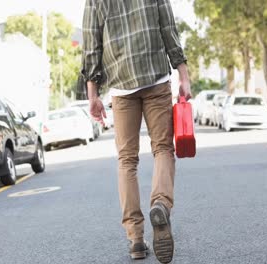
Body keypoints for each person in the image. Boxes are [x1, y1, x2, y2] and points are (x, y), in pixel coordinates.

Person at [81, 0, 191, 263]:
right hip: (155, 79)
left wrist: (93, 95)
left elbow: (91, 45)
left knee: (127, 160)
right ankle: (160, 204)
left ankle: (136, 239)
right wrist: (184, 76)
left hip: (121, 86)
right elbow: (168, 28)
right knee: (163, 148)